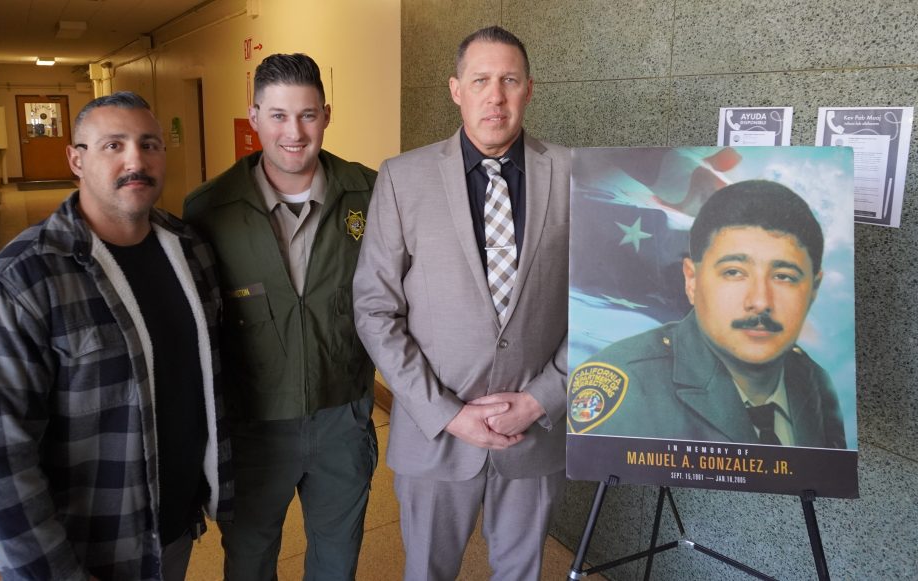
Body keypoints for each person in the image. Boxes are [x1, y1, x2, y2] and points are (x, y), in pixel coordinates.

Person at [0, 91, 234, 580]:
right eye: (113, 145)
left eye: (149, 144)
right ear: (76, 159)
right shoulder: (15, 286)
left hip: (174, 529)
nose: (135, 160)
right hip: (88, 551)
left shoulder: (189, 249)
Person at [353, 26, 569, 580]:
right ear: (456, 89)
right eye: (480, 81)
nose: (495, 96)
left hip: (533, 431)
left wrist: (544, 397)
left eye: (509, 80)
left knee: (520, 573)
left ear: (529, 89)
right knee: (427, 571)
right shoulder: (403, 178)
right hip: (435, 434)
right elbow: (375, 310)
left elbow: (600, 305)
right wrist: (448, 413)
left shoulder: (573, 175)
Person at [183, 53, 377, 580]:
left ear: (327, 114)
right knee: (249, 560)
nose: (294, 131)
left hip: (343, 416)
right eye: (277, 115)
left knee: (337, 559)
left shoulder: (373, 194)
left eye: (307, 114)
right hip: (253, 426)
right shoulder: (207, 209)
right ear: (254, 117)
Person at [571, 180, 846, 449]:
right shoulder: (629, 388)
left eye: (784, 277)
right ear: (691, 280)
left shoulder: (814, 380)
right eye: (734, 272)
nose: (760, 302)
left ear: (814, 289)